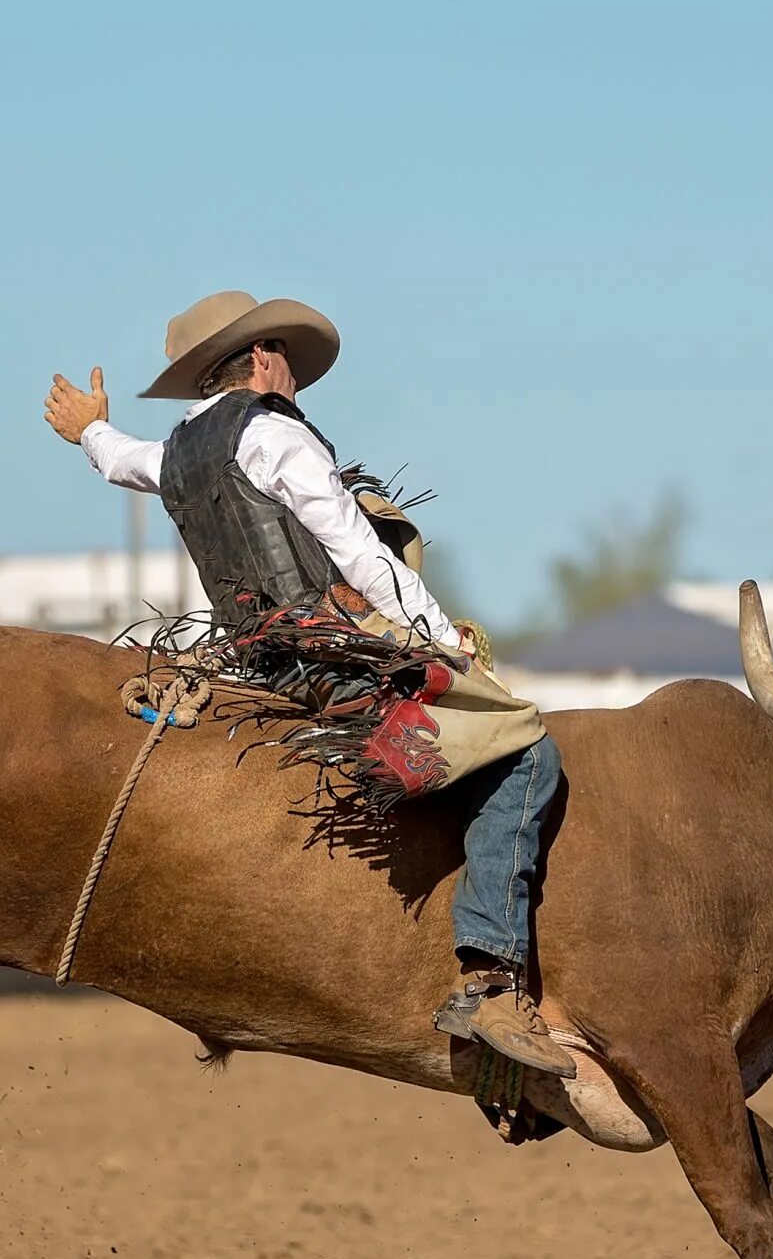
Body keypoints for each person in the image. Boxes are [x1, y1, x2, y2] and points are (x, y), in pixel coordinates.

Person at [43, 290, 573, 1080]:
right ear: (261, 359)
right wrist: (444, 641)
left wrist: (88, 427)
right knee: (526, 755)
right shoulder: (275, 437)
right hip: (335, 664)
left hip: (254, 667)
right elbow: (355, 549)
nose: (295, 371)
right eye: (285, 353)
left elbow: (124, 462)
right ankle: (490, 980)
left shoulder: (183, 449)